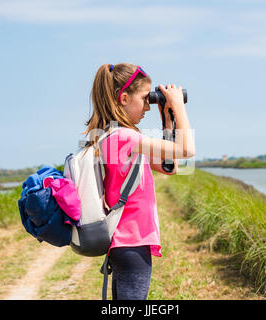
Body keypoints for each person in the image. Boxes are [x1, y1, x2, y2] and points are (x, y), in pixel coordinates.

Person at [83, 63, 195, 300]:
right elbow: (186, 150)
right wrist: (178, 106)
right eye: (145, 98)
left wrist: (167, 119)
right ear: (123, 98)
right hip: (131, 242)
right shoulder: (124, 137)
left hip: (128, 243)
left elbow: (169, 166)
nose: (147, 106)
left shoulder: (115, 136)